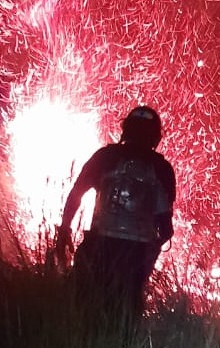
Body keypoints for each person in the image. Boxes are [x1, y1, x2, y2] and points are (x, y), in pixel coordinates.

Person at [55, 105, 176, 318]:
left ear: (125, 129)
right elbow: (165, 227)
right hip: (136, 255)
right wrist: (151, 251)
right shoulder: (162, 169)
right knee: (125, 315)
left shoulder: (105, 157)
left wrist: (64, 230)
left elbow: (76, 194)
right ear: (156, 137)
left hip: (98, 247)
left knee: (81, 307)